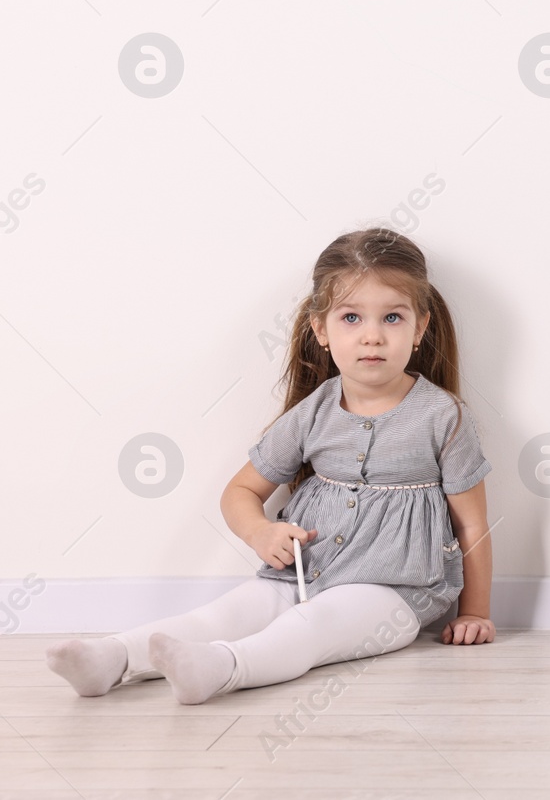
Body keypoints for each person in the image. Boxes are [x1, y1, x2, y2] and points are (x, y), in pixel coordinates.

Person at [46, 228, 495, 704]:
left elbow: (473, 525)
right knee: (226, 613)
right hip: (304, 572)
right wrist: (260, 533)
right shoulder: (313, 413)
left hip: (396, 593)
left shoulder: (443, 417)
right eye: (350, 317)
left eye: (392, 317)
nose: (372, 335)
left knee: (312, 626)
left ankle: (223, 668)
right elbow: (240, 492)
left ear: (420, 328)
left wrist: (475, 611)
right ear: (321, 331)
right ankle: (111, 657)